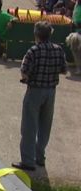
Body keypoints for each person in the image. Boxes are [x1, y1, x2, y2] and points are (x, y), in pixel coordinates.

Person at [12, 21, 67, 171]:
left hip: (35, 90)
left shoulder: (33, 51)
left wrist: (26, 78)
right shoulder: (58, 49)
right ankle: (40, 157)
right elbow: (64, 70)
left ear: (36, 34)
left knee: (29, 126)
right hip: (51, 91)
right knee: (45, 125)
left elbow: (24, 71)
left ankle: (28, 161)